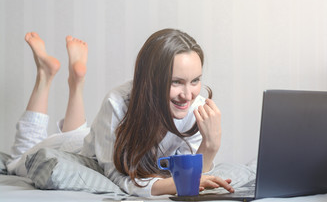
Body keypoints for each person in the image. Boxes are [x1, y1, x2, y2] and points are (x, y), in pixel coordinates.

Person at [7, 29, 234, 197]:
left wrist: (210, 146)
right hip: (84, 150)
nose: (188, 95)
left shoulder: (198, 108)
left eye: (195, 81)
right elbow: (117, 176)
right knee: (17, 158)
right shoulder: (117, 103)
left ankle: (75, 81)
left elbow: (193, 179)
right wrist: (168, 185)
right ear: (151, 80)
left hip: (93, 138)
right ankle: (44, 75)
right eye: (176, 82)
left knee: (79, 131)